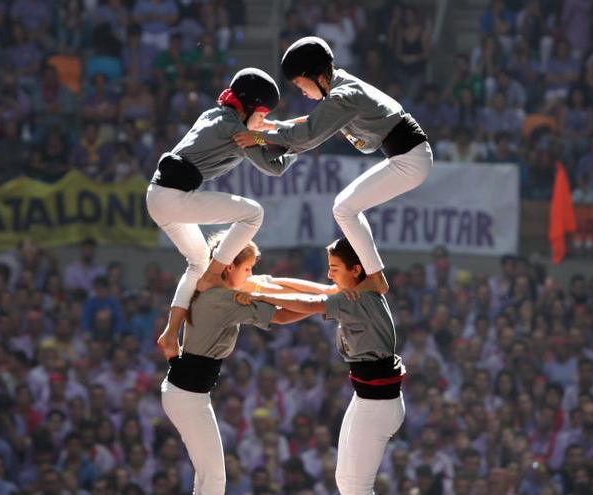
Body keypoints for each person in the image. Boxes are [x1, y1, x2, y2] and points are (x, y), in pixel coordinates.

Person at [234, 36, 432, 298]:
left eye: (299, 84)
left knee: (344, 208)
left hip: (410, 159)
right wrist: (271, 127)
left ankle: (375, 277)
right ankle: (374, 275)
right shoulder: (341, 88)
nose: (301, 91)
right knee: (345, 207)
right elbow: (313, 121)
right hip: (408, 156)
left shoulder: (342, 95)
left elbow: (307, 136)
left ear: (314, 75)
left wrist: (258, 137)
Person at [146, 68, 298, 359]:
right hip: (174, 197)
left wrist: (282, 130)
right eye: (262, 113)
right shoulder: (236, 130)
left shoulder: (215, 115)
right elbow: (274, 166)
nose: (264, 119)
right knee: (253, 214)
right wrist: (300, 144)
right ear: (252, 107)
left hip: (158, 196)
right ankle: (216, 274)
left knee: (197, 261)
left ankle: (169, 334)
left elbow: (265, 133)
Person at [235, 238, 405, 494]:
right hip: (367, 400)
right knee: (346, 482)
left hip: (378, 405)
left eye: (335, 268)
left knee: (357, 488)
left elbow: (311, 303)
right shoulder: (351, 292)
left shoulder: (357, 299)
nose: (329, 274)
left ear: (356, 270)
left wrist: (258, 294)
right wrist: (267, 282)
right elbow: (317, 290)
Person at [161, 232, 308, 494]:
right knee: (215, 476)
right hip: (187, 394)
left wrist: (327, 294)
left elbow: (273, 284)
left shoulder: (223, 291)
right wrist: (325, 306)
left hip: (186, 391)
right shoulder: (223, 299)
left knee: (207, 474)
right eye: (248, 268)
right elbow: (283, 316)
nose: (251, 274)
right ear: (230, 267)